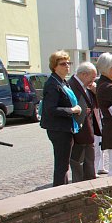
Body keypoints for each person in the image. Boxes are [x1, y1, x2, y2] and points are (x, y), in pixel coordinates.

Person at [39, 51, 82, 186]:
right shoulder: (52, 84)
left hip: (66, 127)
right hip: (58, 129)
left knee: (64, 164)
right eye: (63, 64)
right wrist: (72, 110)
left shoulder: (63, 81)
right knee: (61, 165)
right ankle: (59, 191)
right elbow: (51, 109)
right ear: (54, 66)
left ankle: (63, 189)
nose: (67, 66)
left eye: (68, 63)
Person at [68, 62, 98, 182]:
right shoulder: (71, 85)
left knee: (89, 164)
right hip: (78, 133)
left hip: (87, 131)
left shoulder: (87, 87)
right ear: (84, 74)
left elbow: (95, 105)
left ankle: (90, 185)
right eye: (92, 77)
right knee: (78, 166)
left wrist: (95, 91)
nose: (93, 81)